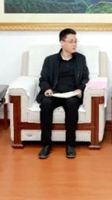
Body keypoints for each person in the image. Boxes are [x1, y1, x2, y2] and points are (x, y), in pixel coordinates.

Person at [37, 28, 89, 160]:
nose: (74, 44)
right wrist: (47, 89)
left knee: (72, 104)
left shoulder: (80, 59)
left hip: (72, 94)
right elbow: (43, 79)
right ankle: (46, 145)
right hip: (54, 94)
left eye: (75, 41)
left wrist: (80, 89)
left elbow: (85, 78)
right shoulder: (50, 60)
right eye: (71, 41)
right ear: (62, 42)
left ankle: (70, 145)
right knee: (46, 103)